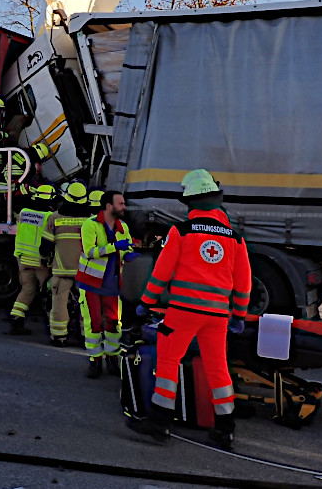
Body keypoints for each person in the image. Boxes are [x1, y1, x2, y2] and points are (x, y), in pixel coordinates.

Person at [127, 169, 251, 449]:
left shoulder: (181, 231)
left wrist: (146, 302)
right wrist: (239, 315)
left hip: (182, 312)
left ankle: (159, 423)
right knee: (218, 367)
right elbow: (243, 283)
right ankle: (225, 428)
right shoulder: (235, 238)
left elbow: (161, 272)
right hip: (218, 316)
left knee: (169, 361)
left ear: (191, 202)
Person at [76, 190, 135, 378]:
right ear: (109, 206)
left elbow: (127, 246)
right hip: (91, 282)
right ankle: (95, 361)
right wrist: (114, 247)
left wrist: (129, 253)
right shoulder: (90, 224)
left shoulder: (122, 226)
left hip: (112, 284)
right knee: (93, 323)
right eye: (121, 203)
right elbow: (89, 252)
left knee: (113, 324)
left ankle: (112, 359)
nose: (124, 207)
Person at [41, 182, 89, 346]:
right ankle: (86, 336)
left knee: (59, 302)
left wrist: (45, 258)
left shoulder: (54, 218)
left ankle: (58, 336)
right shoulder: (90, 221)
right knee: (86, 303)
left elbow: (45, 248)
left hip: (62, 270)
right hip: (85, 271)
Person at [9, 184, 56, 335]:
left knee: (27, 289)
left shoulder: (23, 212)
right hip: (41, 261)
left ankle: (16, 319)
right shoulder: (50, 216)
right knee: (49, 293)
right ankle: (54, 327)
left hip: (23, 259)